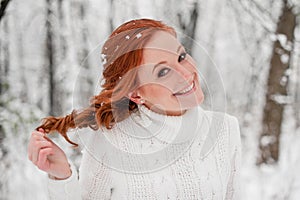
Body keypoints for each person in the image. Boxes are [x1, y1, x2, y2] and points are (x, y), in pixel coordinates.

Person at [28, 18, 241, 199]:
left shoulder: (226, 129)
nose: (186, 74)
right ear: (135, 93)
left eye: (182, 57)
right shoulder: (111, 141)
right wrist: (61, 176)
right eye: (163, 72)